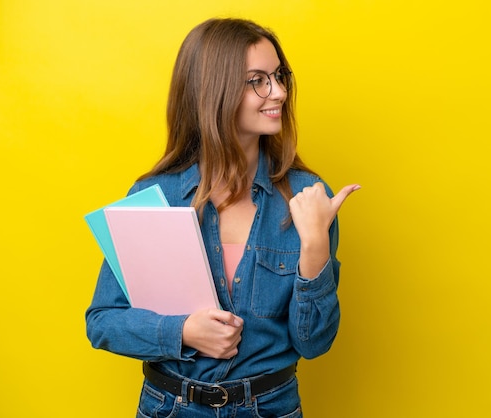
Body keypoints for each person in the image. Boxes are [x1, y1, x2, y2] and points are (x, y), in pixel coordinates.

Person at [86, 17, 359, 418]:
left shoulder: (307, 197)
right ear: (213, 90)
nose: (279, 92)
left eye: (280, 76)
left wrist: (315, 247)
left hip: (270, 407)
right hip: (170, 407)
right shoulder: (154, 197)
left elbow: (313, 342)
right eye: (258, 80)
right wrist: (182, 332)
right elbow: (103, 322)